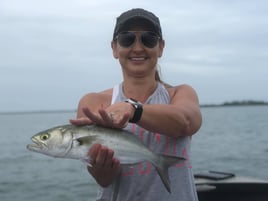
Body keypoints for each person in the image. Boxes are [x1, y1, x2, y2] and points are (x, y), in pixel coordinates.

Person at [70, 8, 202, 201]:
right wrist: (101, 168)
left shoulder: (180, 94)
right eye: (127, 39)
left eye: (148, 39)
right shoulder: (94, 103)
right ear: (114, 48)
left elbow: (187, 122)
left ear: (161, 47)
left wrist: (133, 109)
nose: (138, 47)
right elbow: (104, 180)